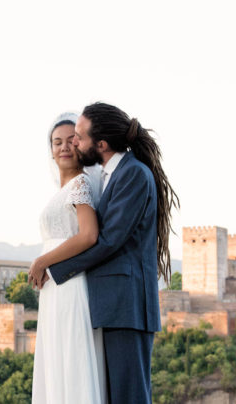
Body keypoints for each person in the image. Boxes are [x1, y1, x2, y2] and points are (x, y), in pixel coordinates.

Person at [39, 102, 180, 404]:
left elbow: (108, 241)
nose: (74, 143)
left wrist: (54, 269)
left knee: (130, 397)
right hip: (113, 303)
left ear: (100, 144)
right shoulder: (111, 176)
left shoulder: (133, 175)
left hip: (128, 306)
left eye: (79, 136)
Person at [30, 112, 107, 404]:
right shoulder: (63, 191)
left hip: (71, 286)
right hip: (56, 290)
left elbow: (89, 235)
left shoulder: (80, 185)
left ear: (81, 145)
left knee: (71, 357)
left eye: (70, 140)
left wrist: (42, 262)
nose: (63, 147)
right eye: (56, 142)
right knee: (58, 359)